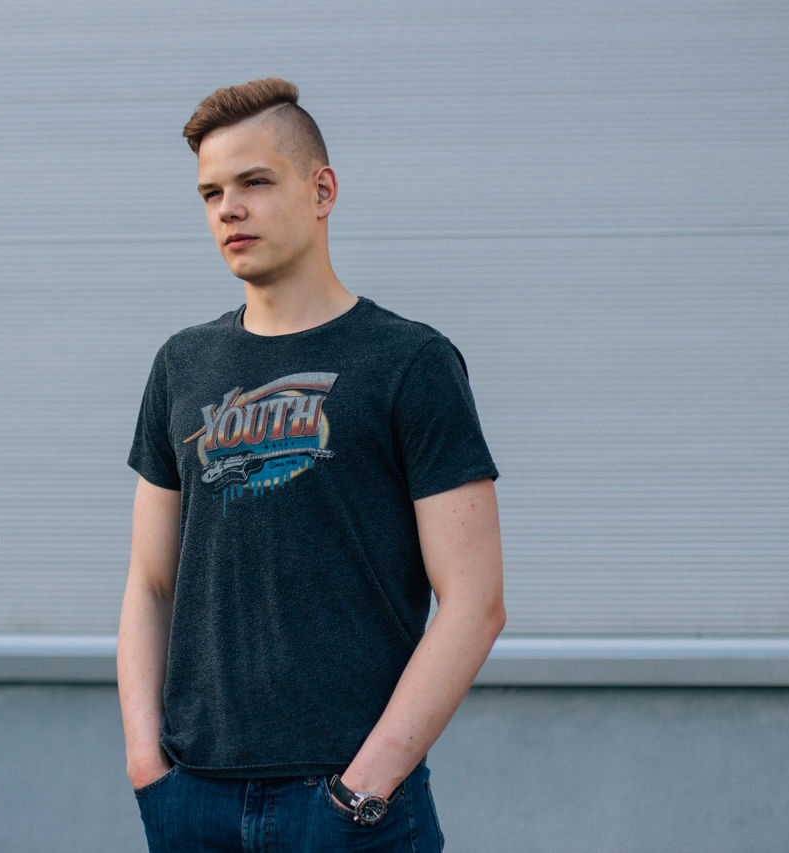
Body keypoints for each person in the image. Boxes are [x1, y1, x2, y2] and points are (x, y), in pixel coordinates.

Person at [117, 78, 505, 852]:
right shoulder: (182, 364)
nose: (229, 208)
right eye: (210, 192)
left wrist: (363, 789)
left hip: (349, 803)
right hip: (193, 798)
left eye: (255, 181)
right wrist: (146, 765)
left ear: (321, 189)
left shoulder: (410, 362)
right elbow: (150, 581)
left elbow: (474, 601)